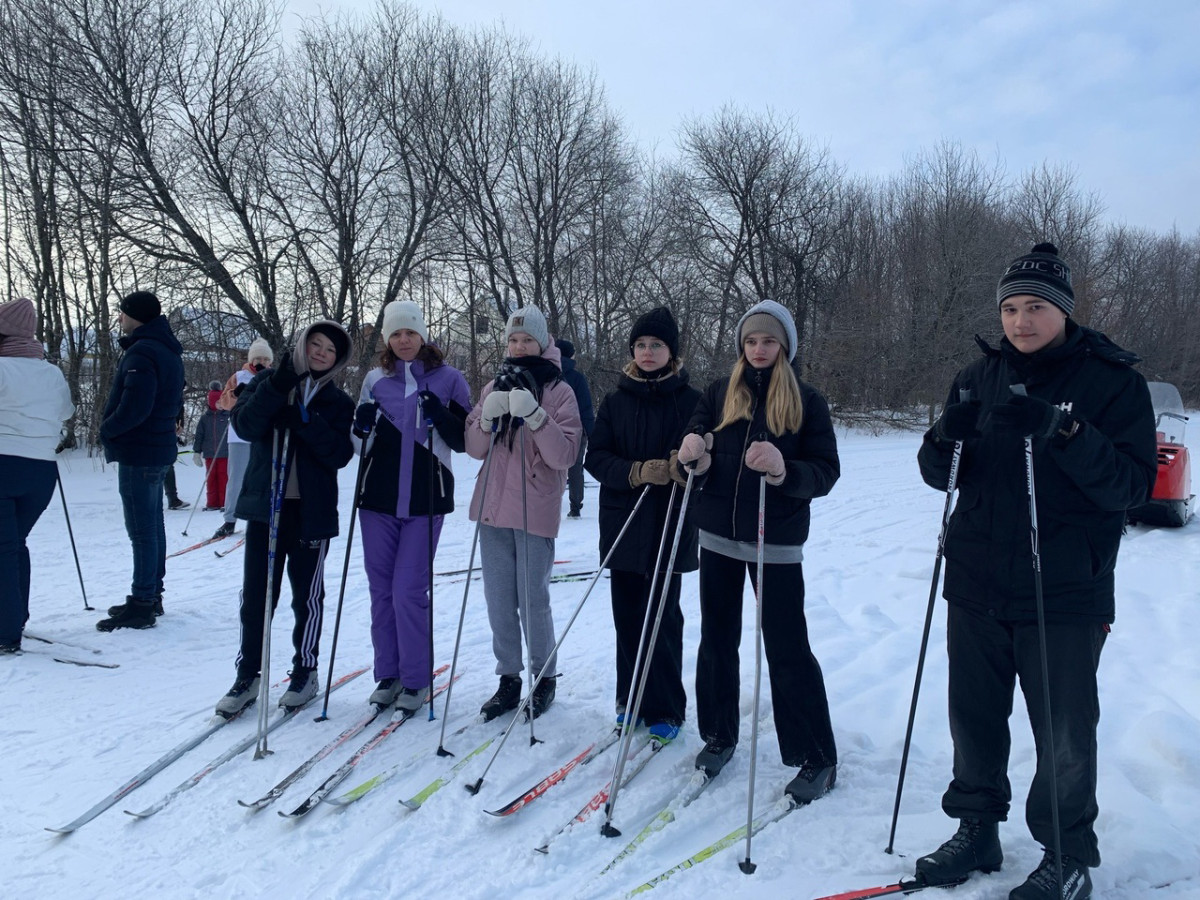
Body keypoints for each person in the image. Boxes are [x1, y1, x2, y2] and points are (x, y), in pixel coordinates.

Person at [912, 243, 1157, 900]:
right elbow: (940, 476)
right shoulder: (976, 376)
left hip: (1066, 587)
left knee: (1063, 731)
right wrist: (943, 436)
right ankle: (977, 829)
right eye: (1011, 308)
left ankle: (1067, 854)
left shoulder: (1114, 383)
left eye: (1036, 308)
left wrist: (1064, 432)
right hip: (976, 581)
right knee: (974, 718)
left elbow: (1131, 486)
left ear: (1064, 311)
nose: (1021, 321)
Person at [676, 298, 840, 804]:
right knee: (717, 641)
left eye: (769, 340)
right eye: (751, 341)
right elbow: (693, 450)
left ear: (785, 346)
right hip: (718, 538)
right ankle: (718, 734)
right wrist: (693, 457)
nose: (759, 349)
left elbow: (826, 472)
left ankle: (817, 756)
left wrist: (785, 470)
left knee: (787, 647)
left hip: (776, 541)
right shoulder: (718, 392)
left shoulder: (807, 401)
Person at [214, 321, 355, 715]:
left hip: (311, 512)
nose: (321, 353)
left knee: (306, 597)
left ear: (337, 360)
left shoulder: (338, 401)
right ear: (302, 346)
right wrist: (278, 388)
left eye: (330, 350)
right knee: (257, 595)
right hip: (267, 508)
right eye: (316, 344)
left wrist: (307, 423)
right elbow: (244, 424)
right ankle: (248, 674)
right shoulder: (267, 383)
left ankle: (305, 670)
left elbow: (340, 454)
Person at [584, 306, 699, 742]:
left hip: (669, 522)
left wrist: (684, 467)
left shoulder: (691, 400)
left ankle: (666, 706)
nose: (648, 352)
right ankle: (629, 699)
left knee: (663, 618)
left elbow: (705, 453)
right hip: (624, 523)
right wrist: (635, 471)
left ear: (672, 352)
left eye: (657, 345)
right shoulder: (616, 401)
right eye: (640, 345)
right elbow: (597, 457)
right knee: (628, 616)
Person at [464, 307, 582, 721]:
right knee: (498, 600)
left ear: (542, 342)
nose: (518, 347)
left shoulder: (559, 391)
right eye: (513, 340)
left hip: (535, 508)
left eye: (527, 339)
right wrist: (486, 418)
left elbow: (565, 455)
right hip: (493, 508)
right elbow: (474, 448)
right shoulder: (493, 385)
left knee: (533, 600)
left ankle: (544, 676)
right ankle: (509, 677)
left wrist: (535, 416)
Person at [354, 301, 471, 709]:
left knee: (407, 591)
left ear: (423, 335)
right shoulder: (375, 380)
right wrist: (361, 426)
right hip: (377, 501)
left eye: (410, 332)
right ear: (388, 339)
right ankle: (389, 675)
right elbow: (358, 444)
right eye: (396, 334)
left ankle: (417, 680)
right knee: (381, 592)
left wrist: (441, 415)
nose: (403, 340)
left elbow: (467, 440)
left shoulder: (449, 378)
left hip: (426, 500)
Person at [96, 291, 185, 631]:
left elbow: (136, 407)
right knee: (152, 526)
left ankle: (143, 602)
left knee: (142, 529)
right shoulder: (166, 349)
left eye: (122, 312)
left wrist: (107, 429)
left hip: (140, 451)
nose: (119, 318)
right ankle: (151, 594)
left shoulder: (143, 351)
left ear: (135, 315)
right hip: (157, 449)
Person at [0, 298, 75, 653]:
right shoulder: (51, 372)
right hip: (41, 470)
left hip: (3, 463)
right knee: (15, 543)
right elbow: (65, 412)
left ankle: (6, 632)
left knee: (4, 548)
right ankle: (16, 618)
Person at [213, 338, 274, 540]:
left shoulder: (273, 376)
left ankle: (264, 517)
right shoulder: (239, 376)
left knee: (265, 476)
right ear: (250, 359)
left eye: (265, 359)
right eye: (258, 358)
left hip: (264, 435)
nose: (261, 362)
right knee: (236, 478)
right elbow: (222, 402)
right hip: (240, 434)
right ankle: (230, 520)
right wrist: (236, 394)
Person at [555, 339, 594, 518]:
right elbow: (585, 407)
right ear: (571, 356)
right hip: (576, 429)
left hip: (550, 427)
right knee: (575, 467)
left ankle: (549, 503)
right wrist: (592, 433)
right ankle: (575, 506)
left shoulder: (546, 375)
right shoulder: (577, 378)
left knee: (550, 466)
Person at [193, 381, 230, 511]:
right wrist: (197, 452)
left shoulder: (228, 416)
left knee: (223, 477)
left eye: (221, 401)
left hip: (224, 454)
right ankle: (212, 503)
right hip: (209, 454)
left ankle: (224, 502)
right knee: (210, 479)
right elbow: (199, 435)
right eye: (217, 402)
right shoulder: (205, 418)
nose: (220, 404)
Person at [164, 407, 189, 510]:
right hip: (155, 431)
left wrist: (180, 423)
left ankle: (173, 499)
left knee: (168, 465)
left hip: (169, 431)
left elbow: (179, 406)